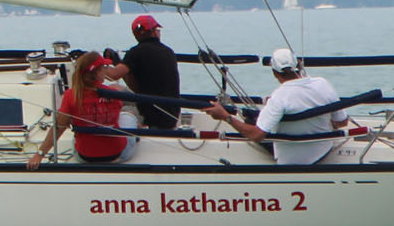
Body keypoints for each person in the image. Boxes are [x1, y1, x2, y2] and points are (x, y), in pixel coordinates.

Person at [203, 48, 351, 166]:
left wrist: (225, 116)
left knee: (251, 121)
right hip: (323, 150)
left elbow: (256, 135)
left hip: (291, 160)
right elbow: (342, 122)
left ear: (274, 73)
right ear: (299, 65)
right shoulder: (323, 84)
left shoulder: (279, 97)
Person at [27, 51, 131, 167]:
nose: (106, 70)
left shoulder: (71, 95)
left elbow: (59, 127)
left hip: (86, 156)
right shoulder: (113, 93)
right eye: (104, 67)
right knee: (127, 116)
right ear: (97, 73)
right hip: (116, 154)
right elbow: (117, 110)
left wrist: (40, 154)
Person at [121, 14, 183, 131]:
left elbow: (114, 75)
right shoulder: (168, 52)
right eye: (158, 29)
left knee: (115, 90)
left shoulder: (135, 53)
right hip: (172, 114)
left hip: (150, 115)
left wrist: (108, 64)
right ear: (153, 32)